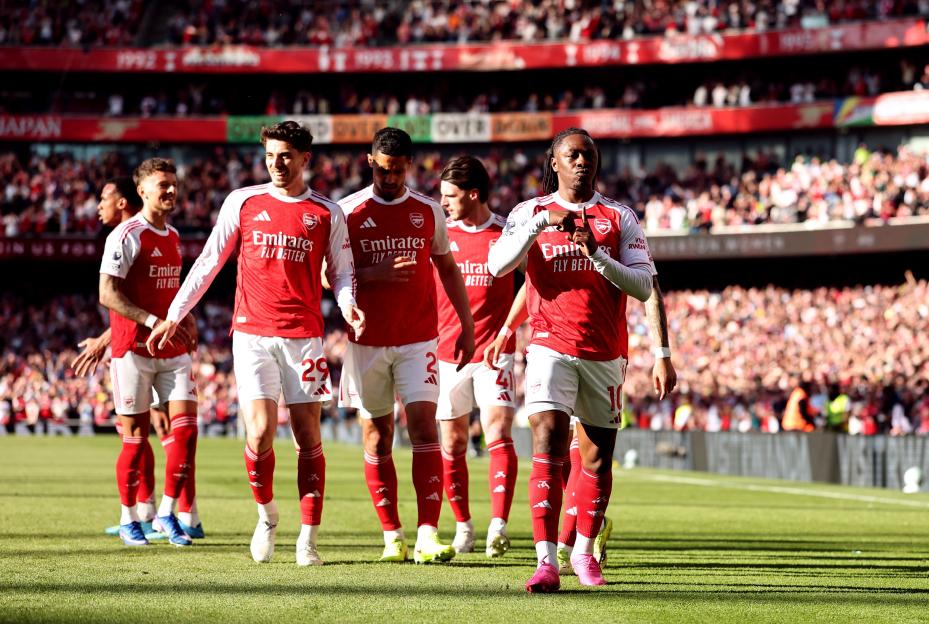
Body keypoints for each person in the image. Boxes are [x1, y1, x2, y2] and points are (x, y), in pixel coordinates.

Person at [148, 121, 364, 566]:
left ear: (305, 158)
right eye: (269, 156)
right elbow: (210, 260)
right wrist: (175, 313)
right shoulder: (243, 201)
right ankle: (267, 516)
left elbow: (341, 271)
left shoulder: (328, 212)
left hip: (305, 338)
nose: (276, 164)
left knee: (308, 436)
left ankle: (308, 539)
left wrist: (348, 306)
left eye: (285, 156)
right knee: (260, 431)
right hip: (252, 334)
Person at [487, 128, 654, 592]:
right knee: (548, 439)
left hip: (604, 352)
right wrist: (541, 225)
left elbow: (643, 286)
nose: (582, 162)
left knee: (597, 458)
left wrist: (597, 255)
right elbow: (499, 266)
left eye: (589, 155)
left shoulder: (619, 216)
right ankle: (545, 561)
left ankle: (582, 552)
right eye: (573, 155)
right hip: (548, 345)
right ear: (554, 162)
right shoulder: (528, 212)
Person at [338, 127, 475, 564]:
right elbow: (328, 275)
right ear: (370, 162)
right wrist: (372, 274)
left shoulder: (429, 211)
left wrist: (467, 325)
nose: (390, 178)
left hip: (419, 339)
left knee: (424, 428)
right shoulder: (348, 211)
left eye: (397, 171)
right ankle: (391, 535)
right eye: (383, 170)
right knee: (378, 437)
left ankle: (427, 535)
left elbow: (448, 268)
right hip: (367, 341)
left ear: (409, 166)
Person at [74, 178, 203, 541]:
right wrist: (107, 338)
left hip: (161, 346)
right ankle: (147, 515)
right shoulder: (125, 237)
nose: (99, 205)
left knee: (176, 431)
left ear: (124, 201)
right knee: (147, 434)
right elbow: (119, 298)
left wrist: (185, 317)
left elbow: (160, 297)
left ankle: (177, 514)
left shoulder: (163, 235)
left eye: (105, 197)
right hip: (135, 347)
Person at [433, 156, 518, 558]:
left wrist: (509, 331)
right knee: (452, 441)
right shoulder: (439, 235)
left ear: (473, 194)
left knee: (498, 429)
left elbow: (533, 283)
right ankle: (463, 526)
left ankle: (498, 525)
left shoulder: (508, 233)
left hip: (494, 353)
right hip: (446, 353)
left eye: (450, 195)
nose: (443, 202)